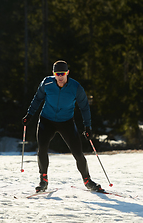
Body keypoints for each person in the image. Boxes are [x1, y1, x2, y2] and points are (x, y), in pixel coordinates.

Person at [22, 60, 104, 193]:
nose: (60, 76)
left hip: (66, 122)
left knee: (78, 153)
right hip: (46, 120)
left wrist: (87, 127)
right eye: (57, 73)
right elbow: (37, 99)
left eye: (62, 73)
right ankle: (43, 181)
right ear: (53, 73)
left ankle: (87, 180)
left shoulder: (76, 87)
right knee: (42, 149)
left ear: (67, 73)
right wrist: (29, 115)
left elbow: (84, 107)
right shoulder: (47, 83)